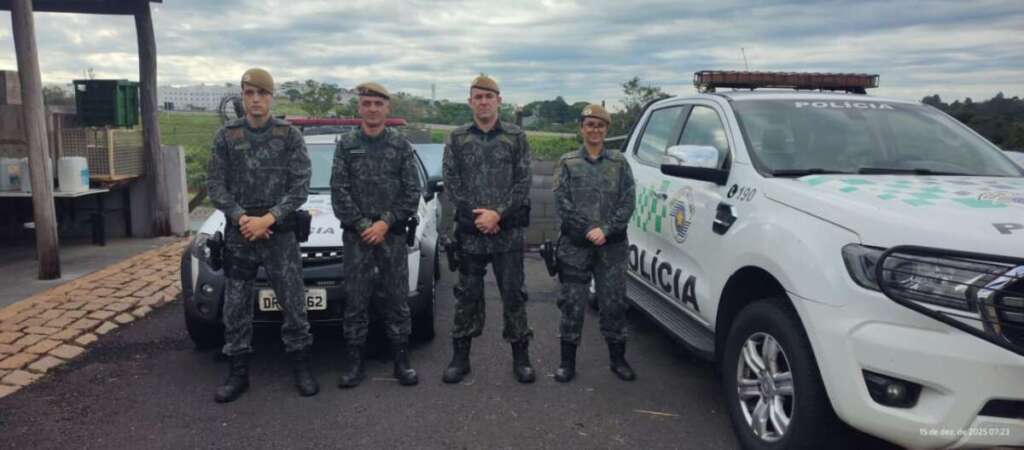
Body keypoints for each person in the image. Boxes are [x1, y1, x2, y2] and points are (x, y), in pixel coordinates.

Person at [206, 68, 318, 402]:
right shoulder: (227, 136)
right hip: (241, 235)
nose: (256, 99)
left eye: (262, 93)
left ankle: (300, 366)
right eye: (250, 93)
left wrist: (268, 218)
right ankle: (238, 372)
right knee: (236, 306)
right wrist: (242, 218)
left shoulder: (289, 136)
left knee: (294, 302)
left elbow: (300, 186)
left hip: (279, 235)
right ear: (242, 96)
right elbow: (215, 184)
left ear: (272, 97)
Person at [441, 75, 536, 384]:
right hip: (470, 234)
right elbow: (451, 182)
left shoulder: (515, 136)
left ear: (499, 100)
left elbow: (523, 182)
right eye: (477, 97)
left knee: (513, 295)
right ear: (470, 101)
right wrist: (479, 217)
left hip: (507, 233)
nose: (483, 101)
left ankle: (521, 357)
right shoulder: (457, 138)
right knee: (466, 296)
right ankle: (460, 357)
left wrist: (497, 214)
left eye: (488, 96)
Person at [330, 82, 421, 388]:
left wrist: (384, 223)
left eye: (377, 104)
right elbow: (339, 191)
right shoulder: (346, 144)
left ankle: (401, 361)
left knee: (397, 299)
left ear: (387, 109)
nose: (371, 108)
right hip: (357, 237)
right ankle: (355, 363)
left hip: (391, 236)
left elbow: (412, 190)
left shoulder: (400, 145)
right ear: (359, 107)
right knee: (356, 301)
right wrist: (361, 225)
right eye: (366, 103)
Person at [552, 104, 637, 382]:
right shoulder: (567, 163)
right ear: (582, 128)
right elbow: (562, 203)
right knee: (572, 304)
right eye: (590, 125)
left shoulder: (620, 163)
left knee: (613, 303)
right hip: (576, 246)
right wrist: (589, 229)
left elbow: (628, 201)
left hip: (611, 247)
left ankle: (618, 359)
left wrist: (607, 229)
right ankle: (567, 363)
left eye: (600, 125)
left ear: (606, 129)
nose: (595, 130)